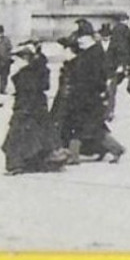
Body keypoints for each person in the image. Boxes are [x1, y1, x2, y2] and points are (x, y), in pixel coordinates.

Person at [53, 21, 124, 164]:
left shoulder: (95, 54)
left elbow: (98, 77)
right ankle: (111, 149)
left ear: (89, 38)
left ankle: (115, 149)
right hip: (82, 97)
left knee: (89, 128)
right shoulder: (87, 53)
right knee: (83, 127)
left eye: (82, 38)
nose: (79, 41)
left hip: (90, 98)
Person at [1, 42, 64, 174]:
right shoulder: (39, 68)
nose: (14, 61)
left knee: (17, 136)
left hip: (26, 107)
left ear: (25, 58)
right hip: (37, 106)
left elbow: (27, 90)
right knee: (38, 135)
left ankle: (16, 164)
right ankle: (39, 161)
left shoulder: (26, 73)